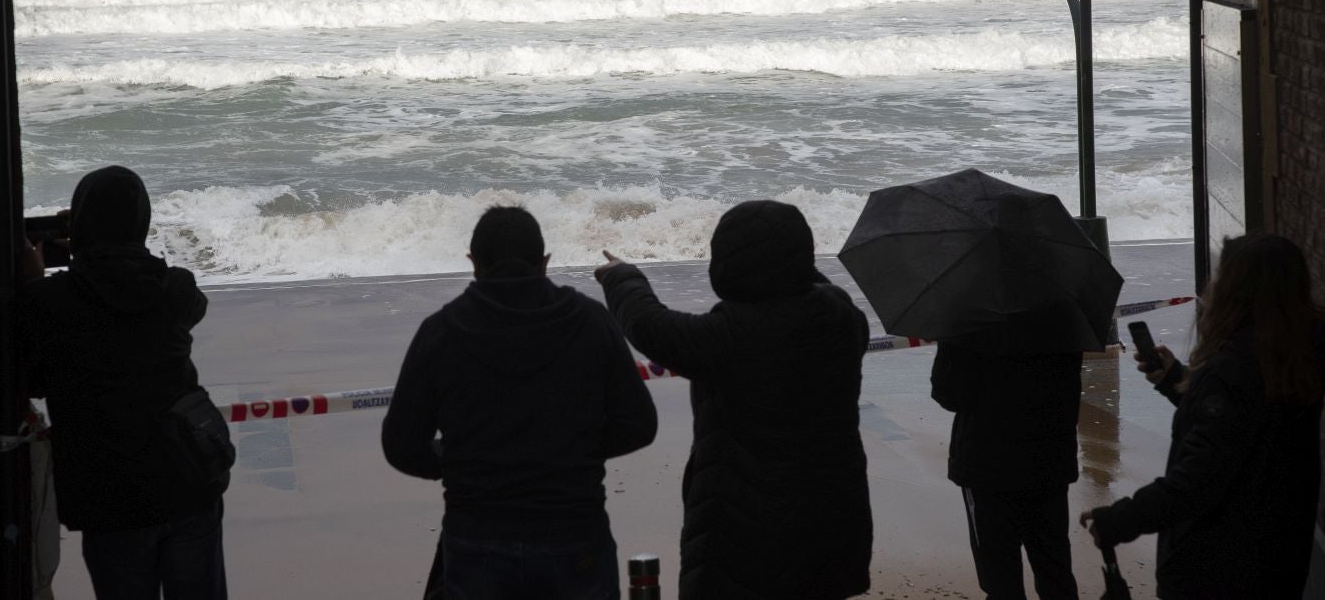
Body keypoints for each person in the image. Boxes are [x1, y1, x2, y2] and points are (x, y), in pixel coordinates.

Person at [595, 199, 873, 600]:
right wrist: (791, 258)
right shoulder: (842, 318)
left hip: (744, 534)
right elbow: (803, 281)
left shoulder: (731, 335)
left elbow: (651, 326)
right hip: (832, 521)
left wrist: (622, 276)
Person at [382, 205, 657, 599]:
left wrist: (461, 461)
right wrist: (571, 454)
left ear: (473, 263)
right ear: (544, 262)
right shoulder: (590, 321)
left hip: (477, 535)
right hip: (573, 531)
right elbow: (639, 424)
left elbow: (401, 445)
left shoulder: (441, 332)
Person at [22, 165, 230, 599]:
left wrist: (37, 279)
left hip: (110, 498)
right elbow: (160, 300)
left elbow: (32, 379)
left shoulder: (49, 303)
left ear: (80, 224)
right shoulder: (175, 289)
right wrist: (110, 249)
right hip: (188, 479)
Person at [1081, 233, 1325, 599]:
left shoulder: (1232, 370)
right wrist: (1178, 381)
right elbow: (1245, 429)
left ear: (1237, 291)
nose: (1209, 286)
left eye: (1219, 277)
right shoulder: (1296, 358)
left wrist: (1120, 519)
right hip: (1279, 558)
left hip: (1216, 567)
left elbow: (1198, 479)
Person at [930, 342, 1082, 600]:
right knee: (1054, 569)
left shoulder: (968, 326)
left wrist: (949, 344)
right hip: (1049, 462)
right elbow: (1069, 391)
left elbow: (948, 393)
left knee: (999, 577)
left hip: (986, 465)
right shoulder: (1062, 323)